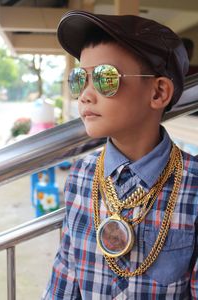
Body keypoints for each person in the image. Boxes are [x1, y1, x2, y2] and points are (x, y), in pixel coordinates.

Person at [42, 10, 198, 299]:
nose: (85, 94)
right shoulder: (81, 175)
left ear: (158, 93)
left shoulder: (193, 185)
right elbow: (63, 280)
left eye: (105, 78)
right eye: (80, 79)